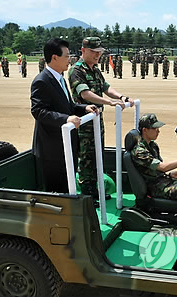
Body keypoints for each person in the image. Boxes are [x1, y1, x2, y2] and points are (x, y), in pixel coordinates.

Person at [30, 38, 98, 193]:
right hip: (52, 150)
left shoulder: (59, 78)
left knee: (68, 187)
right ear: (55, 57)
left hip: (66, 145)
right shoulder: (42, 81)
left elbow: (68, 106)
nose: (70, 59)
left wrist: (84, 108)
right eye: (67, 56)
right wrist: (66, 119)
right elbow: (38, 111)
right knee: (58, 192)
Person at [68, 37, 129, 198]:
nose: (97, 55)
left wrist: (122, 97)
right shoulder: (76, 70)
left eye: (99, 52)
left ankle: (95, 191)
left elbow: (106, 87)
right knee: (87, 159)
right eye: (94, 52)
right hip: (83, 123)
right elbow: (85, 93)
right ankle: (88, 195)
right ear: (83, 51)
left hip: (97, 121)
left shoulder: (94, 69)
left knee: (97, 156)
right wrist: (108, 102)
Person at [132, 113, 177, 202]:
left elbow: (158, 170)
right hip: (155, 188)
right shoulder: (139, 151)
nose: (158, 131)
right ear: (145, 130)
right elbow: (163, 167)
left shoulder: (153, 146)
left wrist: (170, 175)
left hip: (163, 181)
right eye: (154, 128)